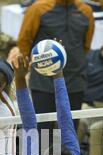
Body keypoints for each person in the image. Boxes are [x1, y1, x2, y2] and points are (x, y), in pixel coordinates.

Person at [17, 0, 95, 133]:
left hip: (75, 81)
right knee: (44, 132)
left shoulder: (86, 12)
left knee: (70, 133)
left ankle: (67, 154)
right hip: (43, 82)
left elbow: (85, 46)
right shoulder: (38, 9)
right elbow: (24, 42)